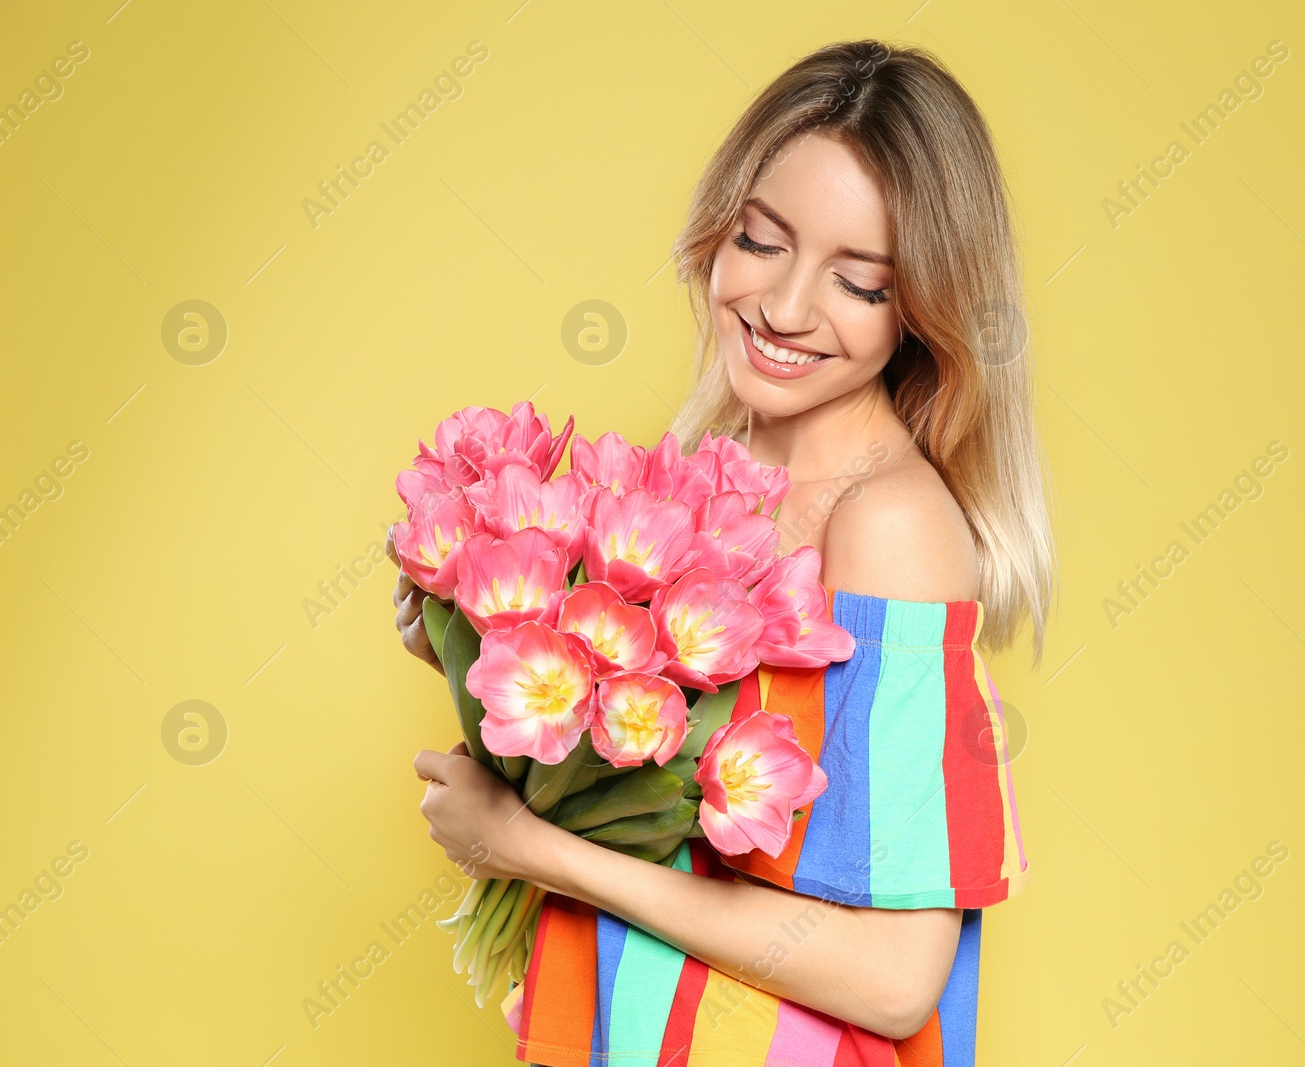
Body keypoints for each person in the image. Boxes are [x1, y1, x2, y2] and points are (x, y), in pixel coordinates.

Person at [391, 39, 1055, 1066]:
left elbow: (894, 977)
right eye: (762, 240)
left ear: (923, 309)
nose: (785, 309)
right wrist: (480, 651)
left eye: (860, 284)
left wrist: (531, 849)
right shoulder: (710, 473)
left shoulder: (889, 525)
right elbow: (676, 801)